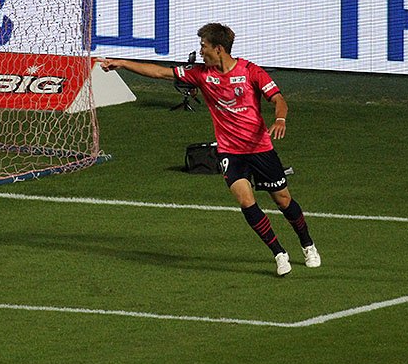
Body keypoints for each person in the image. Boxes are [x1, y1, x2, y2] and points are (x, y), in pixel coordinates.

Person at [98, 22, 321, 277]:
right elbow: (160, 73)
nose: (201, 51)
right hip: (230, 152)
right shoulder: (200, 74)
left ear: (219, 49)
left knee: (283, 200)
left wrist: (280, 119)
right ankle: (279, 253)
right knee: (245, 200)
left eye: (204, 46)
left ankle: (307, 244)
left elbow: (278, 99)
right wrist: (122, 63)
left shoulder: (251, 71)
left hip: (260, 149)